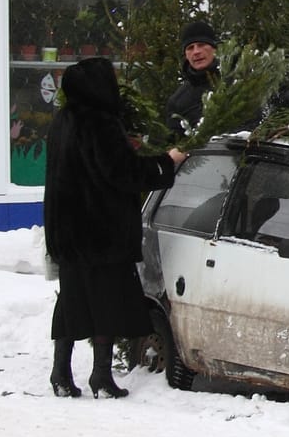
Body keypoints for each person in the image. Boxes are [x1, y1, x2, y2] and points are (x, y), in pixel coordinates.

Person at [44, 58, 185, 399]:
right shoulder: (100, 122)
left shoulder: (63, 120)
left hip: (68, 232)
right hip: (100, 232)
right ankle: (101, 377)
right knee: (105, 303)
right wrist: (169, 161)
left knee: (72, 302)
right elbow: (123, 173)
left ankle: (60, 373)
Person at [165, 18, 219, 138]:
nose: (196, 52)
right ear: (186, 55)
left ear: (214, 48)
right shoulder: (178, 101)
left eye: (201, 45)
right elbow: (174, 144)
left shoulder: (239, 82)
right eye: (190, 48)